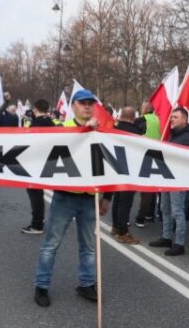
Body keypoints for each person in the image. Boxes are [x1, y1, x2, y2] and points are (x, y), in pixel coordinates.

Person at [34, 89, 111, 307]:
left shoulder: (101, 132)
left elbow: (111, 166)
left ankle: (86, 284)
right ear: (73, 106)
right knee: (51, 244)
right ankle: (41, 286)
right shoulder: (61, 129)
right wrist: (84, 130)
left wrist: (107, 197)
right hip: (65, 197)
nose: (87, 106)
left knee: (88, 246)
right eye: (82, 103)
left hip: (89, 198)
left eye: (90, 103)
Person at [150, 107, 189, 256]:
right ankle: (166, 237)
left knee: (177, 210)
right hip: (167, 175)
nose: (171, 119)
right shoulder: (172, 134)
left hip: (179, 178)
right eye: (171, 117)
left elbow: (187, 155)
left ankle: (179, 243)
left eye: (175, 117)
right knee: (165, 208)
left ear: (184, 119)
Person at [21, 99, 55, 235]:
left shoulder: (35, 125)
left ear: (35, 109)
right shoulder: (53, 123)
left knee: (35, 194)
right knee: (39, 194)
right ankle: (40, 220)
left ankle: (37, 224)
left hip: (35, 163)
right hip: (50, 162)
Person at [111, 106, 142, 245]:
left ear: (121, 116)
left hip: (115, 168)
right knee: (126, 202)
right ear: (133, 118)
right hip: (130, 171)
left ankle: (116, 226)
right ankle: (123, 232)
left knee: (117, 199)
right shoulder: (136, 132)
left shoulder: (114, 129)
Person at [134, 102, 161, 229]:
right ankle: (147, 215)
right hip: (156, 155)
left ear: (144, 109)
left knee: (134, 189)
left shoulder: (141, 120)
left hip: (140, 155)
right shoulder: (159, 120)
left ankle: (134, 219)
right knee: (150, 190)